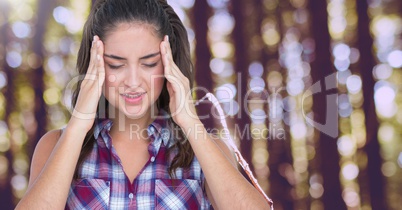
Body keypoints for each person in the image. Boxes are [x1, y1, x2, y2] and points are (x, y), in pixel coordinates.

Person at [16, 0, 270, 209]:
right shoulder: (54, 147)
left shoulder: (207, 150)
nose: (134, 81)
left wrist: (190, 122)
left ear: (169, 65)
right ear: (96, 65)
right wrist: (78, 126)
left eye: (149, 63)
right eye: (116, 64)